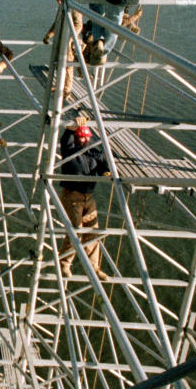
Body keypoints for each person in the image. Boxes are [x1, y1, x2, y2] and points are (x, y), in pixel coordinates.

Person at [57, 119, 110, 281]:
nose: (85, 140)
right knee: (76, 229)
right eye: (81, 138)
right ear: (76, 138)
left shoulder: (93, 152)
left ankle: (94, 267)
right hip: (72, 195)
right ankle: (64, 263)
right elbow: (64, 140)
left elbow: (103, 164)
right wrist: (72, 128)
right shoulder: (70, 151)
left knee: (93, 231)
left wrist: (106, 172)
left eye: (87, 137)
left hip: (88, 196)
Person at [42, 0, 87, 98]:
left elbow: (79, 25)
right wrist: (49, 34)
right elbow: (56, 23)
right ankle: (59, 85)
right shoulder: (61, 7)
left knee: (67, 65)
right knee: (58, 62)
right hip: (60, 40)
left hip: (68, 41)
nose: (58, 1)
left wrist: (70, 38)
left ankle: (67, 89)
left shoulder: (74, 8)